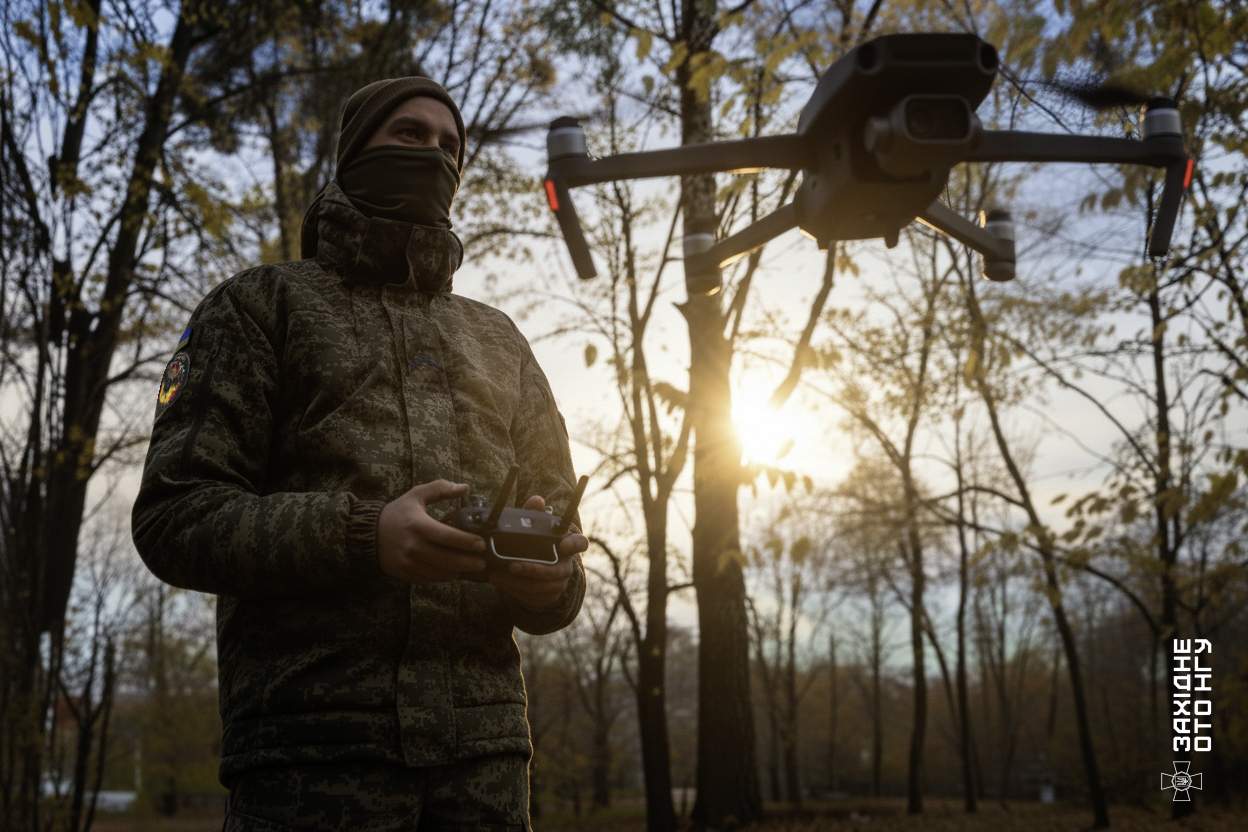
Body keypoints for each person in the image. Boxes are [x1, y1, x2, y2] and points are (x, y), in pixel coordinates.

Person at [132, 77, 588, 831]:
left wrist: (549, 582)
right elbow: (176, 516)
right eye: (410, 134)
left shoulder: (500, 339)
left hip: (486, 768)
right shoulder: (257, 306)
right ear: (353, 153)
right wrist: (363, 536)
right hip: (309, 758)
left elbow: (562, 549)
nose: (434, 155)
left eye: (451, 146)